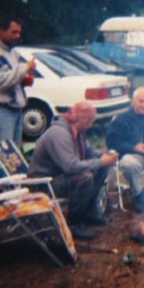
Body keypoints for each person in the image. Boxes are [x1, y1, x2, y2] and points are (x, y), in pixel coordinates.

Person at [28, 102, 118, 240]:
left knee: (102, 166)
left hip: (59, 176)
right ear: (85, 121)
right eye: (91, 122)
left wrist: (105, 157)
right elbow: (70, 166)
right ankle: (74, 224)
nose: (91, 126)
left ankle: (89, 212)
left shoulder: (76, 131)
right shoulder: (59, 134)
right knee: (84, 177)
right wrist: (100, 161)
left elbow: (89, 151)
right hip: (42, 184)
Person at [0, 16, 36, 186]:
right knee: (0, 159)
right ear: (1, 31)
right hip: (1, 110)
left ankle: (8, 195)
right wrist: (25, 68)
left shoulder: (12, 52)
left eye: (19, 32)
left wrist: (25, 79)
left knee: (14, 159)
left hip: (15, 109)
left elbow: (14, 77)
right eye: (14, 32)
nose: (18, 36)